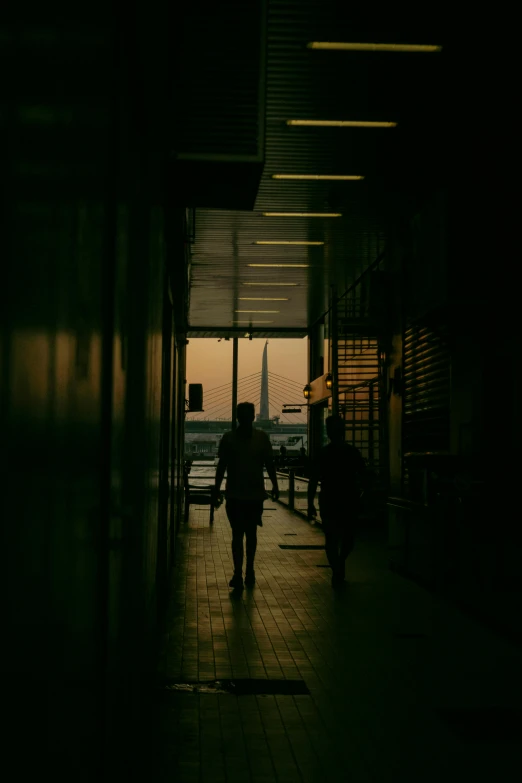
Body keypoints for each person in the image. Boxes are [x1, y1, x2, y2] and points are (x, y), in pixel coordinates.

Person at [214, 401, 279, 589]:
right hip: (249, 495)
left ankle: (241, 572)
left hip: (238, 495)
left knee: (240, 535)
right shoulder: (261, 439)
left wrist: (217, 489)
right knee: (249, 534)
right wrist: (274, 485)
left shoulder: (229, 439)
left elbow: (221, 467)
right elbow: (269, 464)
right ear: (252, 417)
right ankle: (246, 571)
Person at [307, 415, 366, 587]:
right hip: (347, 498)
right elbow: (363, 475)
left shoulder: (324, 453)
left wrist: (310, 503)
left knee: (332, 539)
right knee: (347, 538)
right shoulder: (351, 452)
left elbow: (313, 480)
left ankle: (337, 566)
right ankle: (339, 565)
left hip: (330, 498)